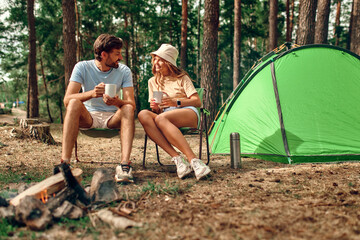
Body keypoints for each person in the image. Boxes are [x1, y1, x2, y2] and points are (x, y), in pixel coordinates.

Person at [61, 33, 135, 183]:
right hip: (88, 117)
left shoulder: (124, 71)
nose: (120, 58)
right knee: (74, 102)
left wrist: (116, 102)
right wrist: (92, 93)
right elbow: (67, 99)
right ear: (103, 54)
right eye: (117, 54)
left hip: (112, 119)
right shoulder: (82, 67)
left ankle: (124, 166)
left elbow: (131, 104)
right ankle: (65, 164)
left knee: (127, 108)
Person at [138, 44, 211, 180]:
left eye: (160, 59)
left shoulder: (182, 78)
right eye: (155, 59)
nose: (156, 62)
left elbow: (197, 101)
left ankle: (194, 160)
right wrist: (155, 107)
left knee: (161, 119)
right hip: (165, 117)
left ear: (169, 62)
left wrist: (175, 102)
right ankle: (178, 159)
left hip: (187, 112)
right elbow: (157, 110)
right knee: (143, 114)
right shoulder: (152, 82)